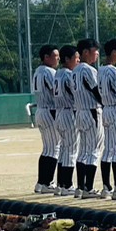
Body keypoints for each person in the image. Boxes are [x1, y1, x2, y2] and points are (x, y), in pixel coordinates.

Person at [72, 38, 104, 198]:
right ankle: (88, 188)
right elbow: (96, 91)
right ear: (85, 52)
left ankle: (80, 187)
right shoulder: (88, 70)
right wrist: (106, 104)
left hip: (80, 111)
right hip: (91, 111)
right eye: (95, 51)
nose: (97, 54)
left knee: (83, 151)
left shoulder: (75, 70)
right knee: (93, 150)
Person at [98, 38, 116, 198]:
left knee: (108, 149)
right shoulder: (114, 71)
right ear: (114, 52)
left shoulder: (100, 69)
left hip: (106, 109)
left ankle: (106, 186)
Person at [31, 44, 61, 194]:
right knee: (54, 149)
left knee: (48, 148)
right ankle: (47, 182)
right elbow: (56, 91)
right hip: (50, 110)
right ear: (46, 57)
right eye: (55, 56)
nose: (58, 59)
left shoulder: (38, 71)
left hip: (41, 110)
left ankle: (41, 183)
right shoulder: (50, 72)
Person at [53, 45, 80, 195]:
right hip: (69, 112)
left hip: (59, 113)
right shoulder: (70, 74)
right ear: (67, 59)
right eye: (76, 58)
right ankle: (67, 185)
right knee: (71, 150)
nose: (78, 61)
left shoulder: (57, 73)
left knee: (64, 149)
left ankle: (60, 184)